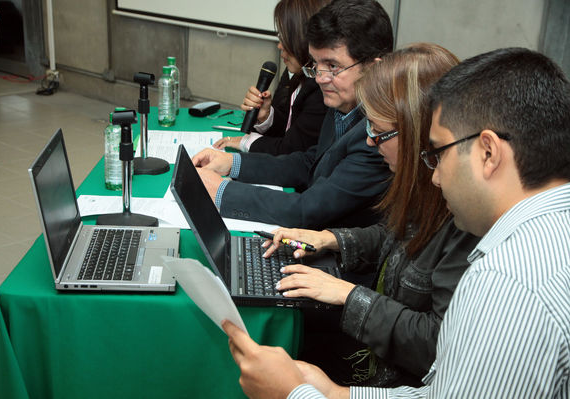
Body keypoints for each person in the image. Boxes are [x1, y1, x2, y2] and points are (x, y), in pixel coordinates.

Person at [223, 47, 570, 398]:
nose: (435, 175)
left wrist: (297, 394)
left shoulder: (506, 281)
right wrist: (332, 393)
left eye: (439, 151)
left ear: (488, 153)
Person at [259, 43, 480, 388]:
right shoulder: (422, 186)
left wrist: (347, 295)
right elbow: (395, 237)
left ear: (418, 132)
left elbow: (437, 344)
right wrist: (329, 239)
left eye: (378, 130)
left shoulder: (466, 214)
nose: (371, 141)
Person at [193, 0, 394, 229]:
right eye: (317, 65)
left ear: (374, 68)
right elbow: (311, 162)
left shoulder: (380, 133)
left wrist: (222, 192)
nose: (320, 78)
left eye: (333, 66)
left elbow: (308, 210)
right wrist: (233, 163)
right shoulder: (344, 102)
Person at [213, 0, 330, 156]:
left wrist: (245, 142)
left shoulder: (322, 87)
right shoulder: (294, 72)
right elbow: (288, 129)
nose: (279, 45)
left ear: (303, 39)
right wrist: (266, 116)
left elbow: (292, 150)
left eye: (285, 38)